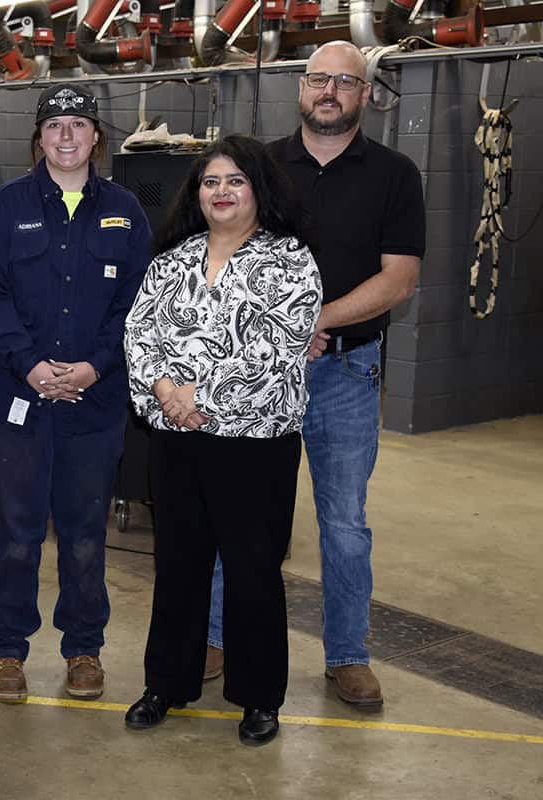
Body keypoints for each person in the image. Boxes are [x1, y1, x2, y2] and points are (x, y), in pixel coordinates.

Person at [205, 41, 425, 711]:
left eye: (345, 82)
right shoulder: (259, 168)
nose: (330, 92)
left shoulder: (394, 174)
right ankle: (215, 636)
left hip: (347, 372)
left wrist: (312, 319)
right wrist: (276, 329)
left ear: (366, 94)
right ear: (301, 89)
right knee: (238, 510)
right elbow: (226, 254)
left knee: (344, 522)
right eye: (319, 80)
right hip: (256, 371)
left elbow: (399, 279)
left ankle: (347, 655)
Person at [123, 135, 322, 745]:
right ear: (197, 193)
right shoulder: (174, 259)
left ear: (259, 189)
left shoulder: (290, 261)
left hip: (253, 444)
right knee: (177, 566)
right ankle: (167, 684)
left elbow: (277, 347)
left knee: (252, 570)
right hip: (177, 441)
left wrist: (199, 398)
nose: (222, 192)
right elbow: (140, 331)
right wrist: (164, 391)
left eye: (236, 180)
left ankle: (259, 697)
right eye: (211, 182)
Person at [0, 85, 151, 703]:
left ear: (96, 136)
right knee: (16, 532)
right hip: (16, 398)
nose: (66, 136)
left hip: (94, 403)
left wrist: (96, 367)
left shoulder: (125, 210)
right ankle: (7, 650)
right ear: (39, 137)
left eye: (78, 124)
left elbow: (137, 303)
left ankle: (84, 650)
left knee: (84, 532)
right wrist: (30, 365)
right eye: (54, 125)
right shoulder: (5, 207)